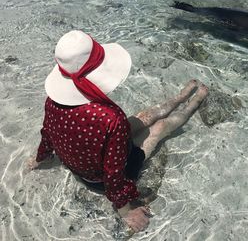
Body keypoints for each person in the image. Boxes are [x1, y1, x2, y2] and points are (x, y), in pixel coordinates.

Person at [27, 30, 208, 233]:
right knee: (158, 128)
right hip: (101, 181)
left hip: (88, 161)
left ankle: (179, 98)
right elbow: (114, 176)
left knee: (144, 116)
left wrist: (39, 159)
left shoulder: (53, 102)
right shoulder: (111, 118)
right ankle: (194, 103)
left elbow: (48, 134)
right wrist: (127, 211)